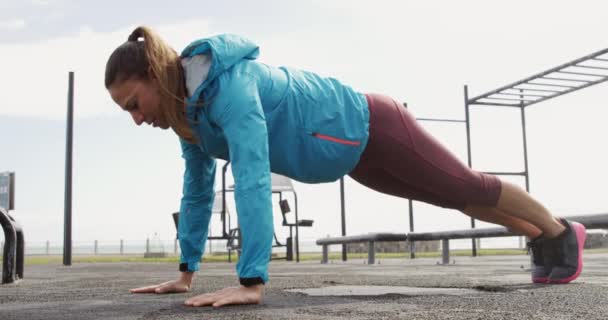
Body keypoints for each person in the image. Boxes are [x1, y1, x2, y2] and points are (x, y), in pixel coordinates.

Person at [105, 26, 586, 308]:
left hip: (372, 122)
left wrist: (251, 281)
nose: (136, 118)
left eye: (133, 103)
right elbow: (197, 191)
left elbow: (252, 172)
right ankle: (541, 236)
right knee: (455, 198)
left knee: (465, 184)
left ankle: (563, 230)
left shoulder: (229, 86)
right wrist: (185, 272)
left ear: (153, 75)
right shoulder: (188, 117)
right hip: (356, 158)